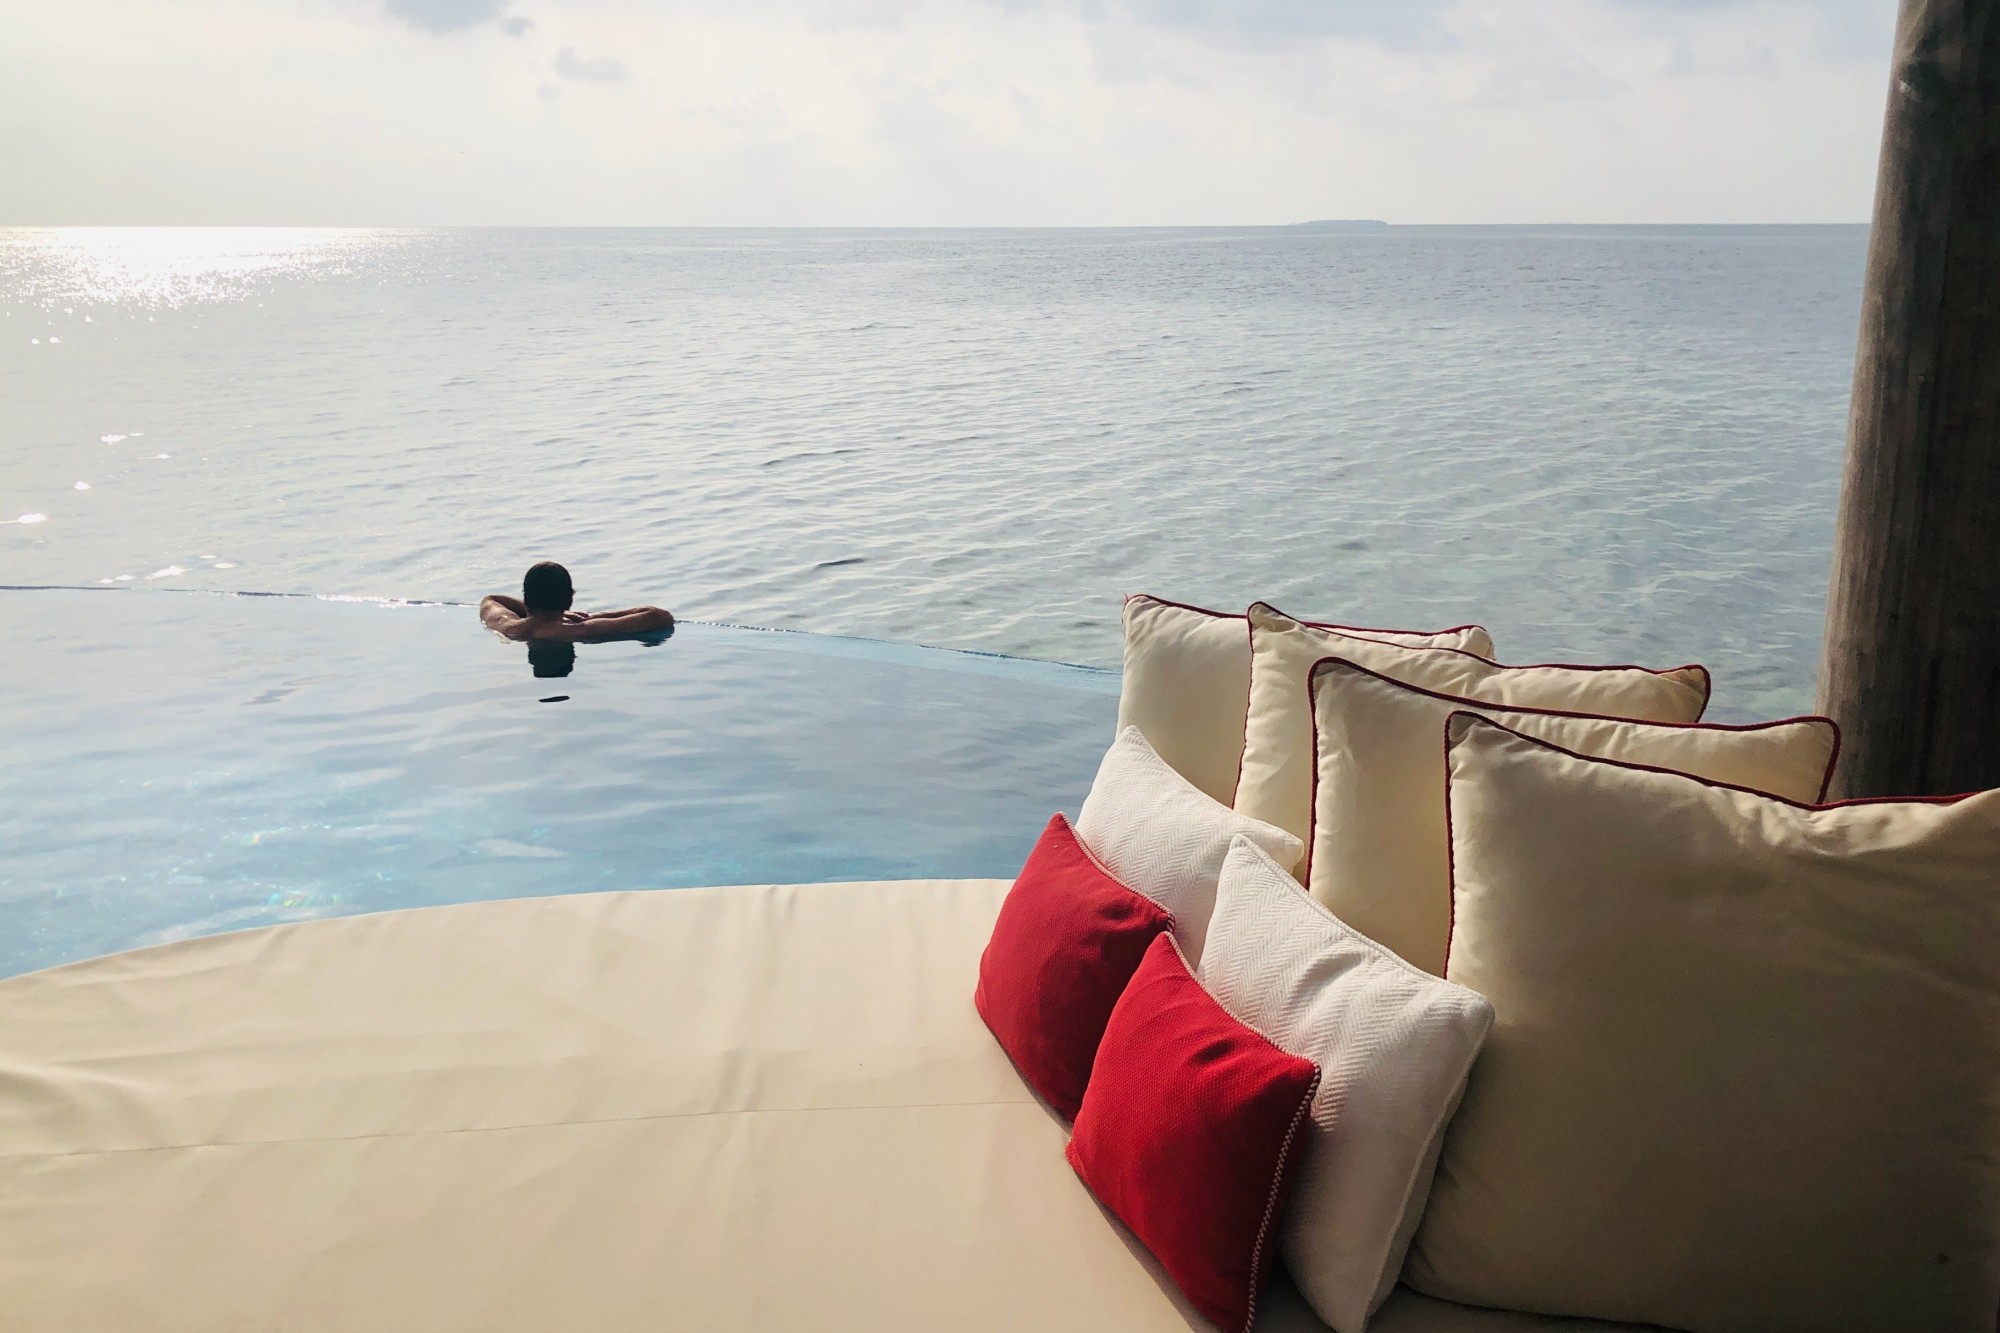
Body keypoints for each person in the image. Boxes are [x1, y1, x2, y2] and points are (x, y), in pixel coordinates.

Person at [480, 562, 675, 643]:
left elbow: (492, 599)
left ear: (527, 597)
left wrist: (546, 613)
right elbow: (659, 617)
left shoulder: (508, 627)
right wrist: (599, 616)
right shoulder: (579, 630)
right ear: (569, 597)